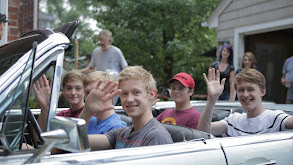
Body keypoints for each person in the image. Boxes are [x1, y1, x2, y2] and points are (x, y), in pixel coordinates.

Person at [85, 66, 173, 150]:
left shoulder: (156, 136)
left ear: (152, 94)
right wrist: (88, 110)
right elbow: (77, 140)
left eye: (136, 92)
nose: (129, 99)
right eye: (124, 94)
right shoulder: (122, 133)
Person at [198, 68, 293, 137]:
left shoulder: (275, 118)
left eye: (250, 89)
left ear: (263, 92)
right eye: (241, 90)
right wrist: (212, 99)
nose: (245, 94)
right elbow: (203, 132)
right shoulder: (234, 121)